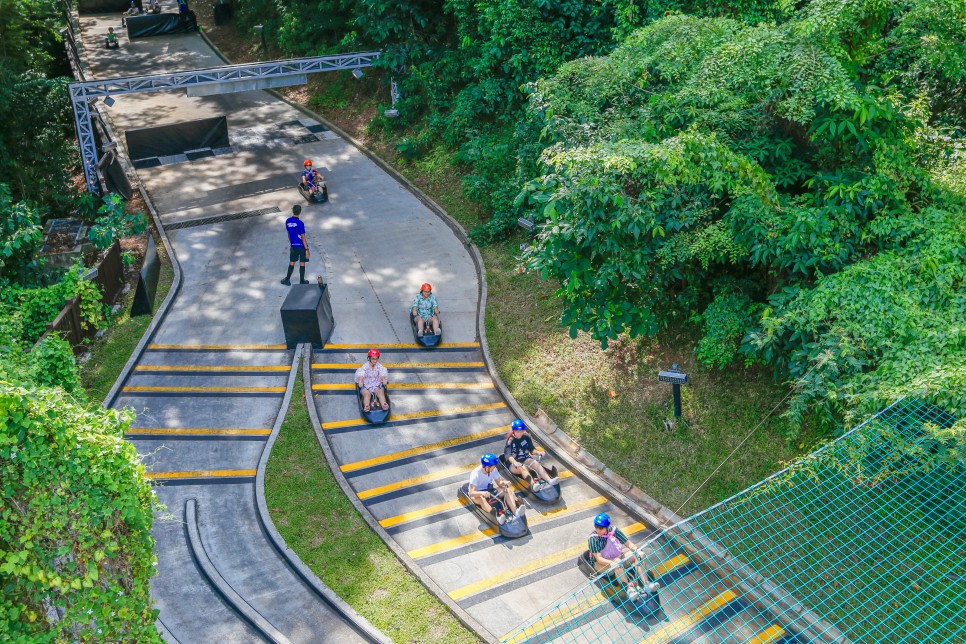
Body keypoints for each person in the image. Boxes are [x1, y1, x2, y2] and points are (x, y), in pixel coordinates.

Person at [588, 513, 659, 601]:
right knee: (617, 561)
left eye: (601, 528)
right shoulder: (593, 538)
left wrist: (638, 551)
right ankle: (629, 589)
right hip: (602, 564)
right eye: (596, 526)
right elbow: (599, 558)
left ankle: (646, 584)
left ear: (607, 527)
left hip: (617, 558)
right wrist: (612, 563)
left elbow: (628, 543)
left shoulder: (614, 531)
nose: (598, 529)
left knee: (636, 555)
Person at [468, 453, 524, 525]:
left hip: (488, 491)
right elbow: (471, 493)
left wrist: (505, 483)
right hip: (477, 494)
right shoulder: (476, 474)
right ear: (487, 467)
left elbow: (499, 483)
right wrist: (482, 493)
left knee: (507, 490)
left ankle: (516, 512)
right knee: (482, 499)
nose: (495, 467)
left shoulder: (493, 470)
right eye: (493, 466)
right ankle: (497, 518)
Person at [504, 419, 559, 489]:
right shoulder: (510, 441)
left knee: (534, 462)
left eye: (521, 431)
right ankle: (533, 485)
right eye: (517, 431)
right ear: (513, 431)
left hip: (525, 459)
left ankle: (549, 480)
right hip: (514, 465)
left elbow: (532, 449)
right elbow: (508, 455)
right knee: (522, 467)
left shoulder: (526, 437)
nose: (520, 433)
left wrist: (538, 452)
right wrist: (515, 462)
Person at [281, 204, 309, 285]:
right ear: (300, 212)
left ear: (292, 211)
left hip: (293, 246)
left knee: (292, 262)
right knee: (302, 262)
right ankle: (302, 281)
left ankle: (287, 280)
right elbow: (303, 237)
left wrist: (292, 243)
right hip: (301, 246)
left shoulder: (287, 221)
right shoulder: (300, 223)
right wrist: (306, 249)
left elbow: (289, 234)